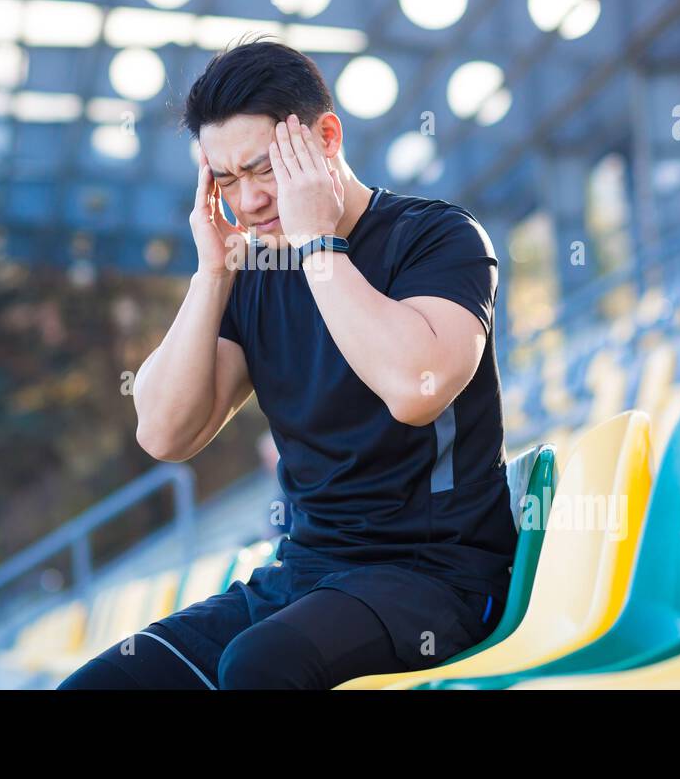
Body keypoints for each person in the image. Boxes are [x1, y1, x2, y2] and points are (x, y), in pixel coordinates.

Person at [59, 36, 513, 689]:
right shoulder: (253, 272)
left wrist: (319, 247)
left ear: (326, 137)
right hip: (304, 575)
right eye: (226, 180)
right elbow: (164, 432)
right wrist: (211, 275)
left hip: (436, 575)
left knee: (263, 665)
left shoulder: (437, 238)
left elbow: (417, 388)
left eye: (264, 169)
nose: (247, 202)